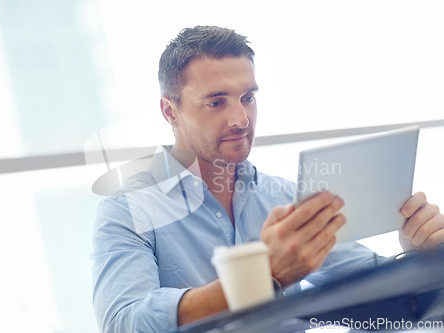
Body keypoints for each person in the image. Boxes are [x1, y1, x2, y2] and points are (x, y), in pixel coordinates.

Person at [90, 26, 444, 333]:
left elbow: (374, 288)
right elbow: (124, 322)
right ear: (171, 111)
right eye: (216, 102)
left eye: (248, 98)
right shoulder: (127, 211)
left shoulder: (286, 200)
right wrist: (261, 275)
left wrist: (421, 255)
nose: (241, 119)